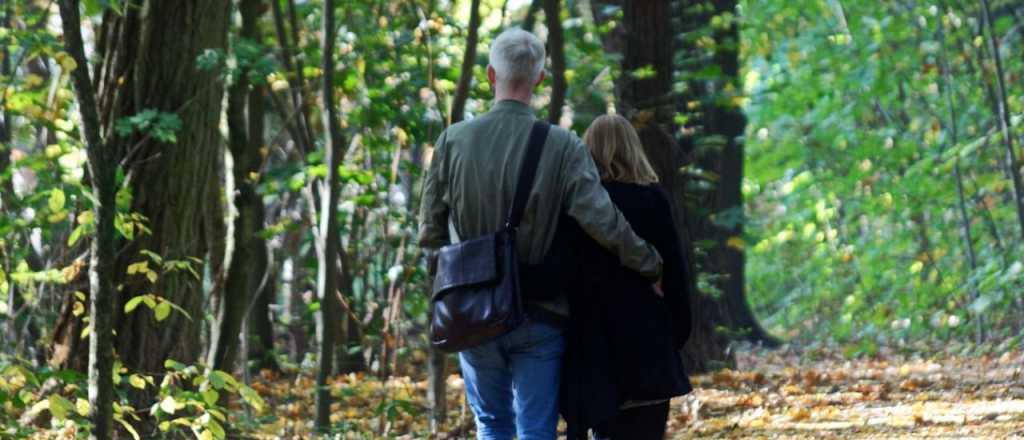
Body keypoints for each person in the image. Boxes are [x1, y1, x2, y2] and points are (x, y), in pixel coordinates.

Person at [418, 29, 663, 440]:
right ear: (540, 79)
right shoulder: (562, 146)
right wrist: (650, 263)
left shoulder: (452, 141)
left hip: (473, 310)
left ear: (490, 75)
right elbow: (603, 220)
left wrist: (450, 288)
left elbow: (430, 232)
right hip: (539, 312)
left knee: (491, 424)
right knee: (536, 430)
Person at [560, 114, 693, 440]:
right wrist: (674, 336)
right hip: (648, 347)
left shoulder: (579, 207)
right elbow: (675, 275)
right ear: (634, 149)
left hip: (595, 350)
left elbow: (567, 276)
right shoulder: (653, 200)